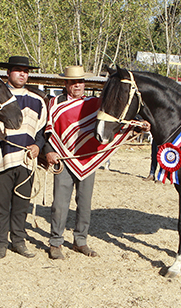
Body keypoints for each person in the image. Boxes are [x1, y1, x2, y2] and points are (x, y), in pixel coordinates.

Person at [43, 65, 147, 259]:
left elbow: (116, 116)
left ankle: (80, 241)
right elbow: (47, 132)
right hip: (63, 159)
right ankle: (56, 242)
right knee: (59, 203)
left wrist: (138, 125)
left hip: (87, 161)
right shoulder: (55, 104)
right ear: (66, 83)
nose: (77, 85)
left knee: (84, 203)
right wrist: (49, 152)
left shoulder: (95, 104)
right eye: (73, 82)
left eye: (80, 82)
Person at [0, 56, 48, 259]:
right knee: (1, 204)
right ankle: (0, 242)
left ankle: (18, 241)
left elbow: (43, 129)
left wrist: (38, 147)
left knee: (21, 205)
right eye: (18, 70)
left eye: (25, 71)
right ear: (8, 73)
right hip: (0, 156)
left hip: (27, 159)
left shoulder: (38, 100)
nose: (23, 74)